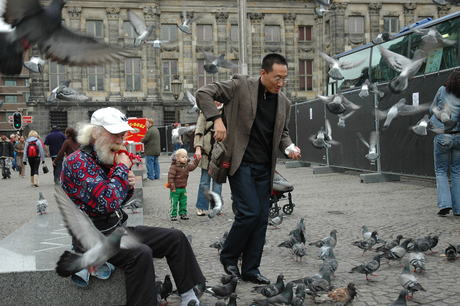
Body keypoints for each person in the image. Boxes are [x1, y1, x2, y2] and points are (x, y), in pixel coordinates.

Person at [61, 107, 205, 306]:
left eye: (122, 135)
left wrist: (127, 185)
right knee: (140, 253)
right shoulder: (77, 161)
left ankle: (189, 296)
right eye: (116, 135)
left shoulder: (104, 157)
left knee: (176, 238)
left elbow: (116, 201)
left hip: (114, 230)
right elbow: (106, 202)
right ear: (96, 133)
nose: (121, 141)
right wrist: (121, 170)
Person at [196, 53, 301, 285]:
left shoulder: (285, 103)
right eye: (276, 78)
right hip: (240, 163)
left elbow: (282, 133)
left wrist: (289, 147)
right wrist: (217, 119)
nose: (280, 83)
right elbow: (203, 93)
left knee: (262, 218)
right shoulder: (240, 85)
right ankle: (229, 256)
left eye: (284, 78)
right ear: (263, 73)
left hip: (266, 167)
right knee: (250, 212)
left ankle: (251, 269)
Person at [430, 71, 460, 216]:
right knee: (457, 172)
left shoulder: (442, 90)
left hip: (443, 135)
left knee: (441, 171)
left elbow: (432, 108)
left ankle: (445, 204)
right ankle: (459, 208)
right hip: (459, 136)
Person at [194, 101, 224, 216]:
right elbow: (199, 131)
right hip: (206, 152)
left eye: (219, 99)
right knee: (204, 181)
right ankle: (201, 206)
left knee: (218, 182)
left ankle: (217, 206)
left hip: (220, 152)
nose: (217, 102)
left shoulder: (226, 111)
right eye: (215, 99)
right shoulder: (204, 111)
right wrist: (198, 149)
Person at [167, 148, 200, 221]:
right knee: (174, 202)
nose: (185, 158)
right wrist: (172, 187)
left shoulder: (187, 166)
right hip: (175, 189)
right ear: (177, 158)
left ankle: (183, 213)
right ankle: (173, 214)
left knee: (183, 202)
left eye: (186, 156)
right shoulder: (174, 167)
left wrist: (197, 160)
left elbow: (193, 166)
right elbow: (170, 178)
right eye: (183, 157)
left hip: (183, 188)